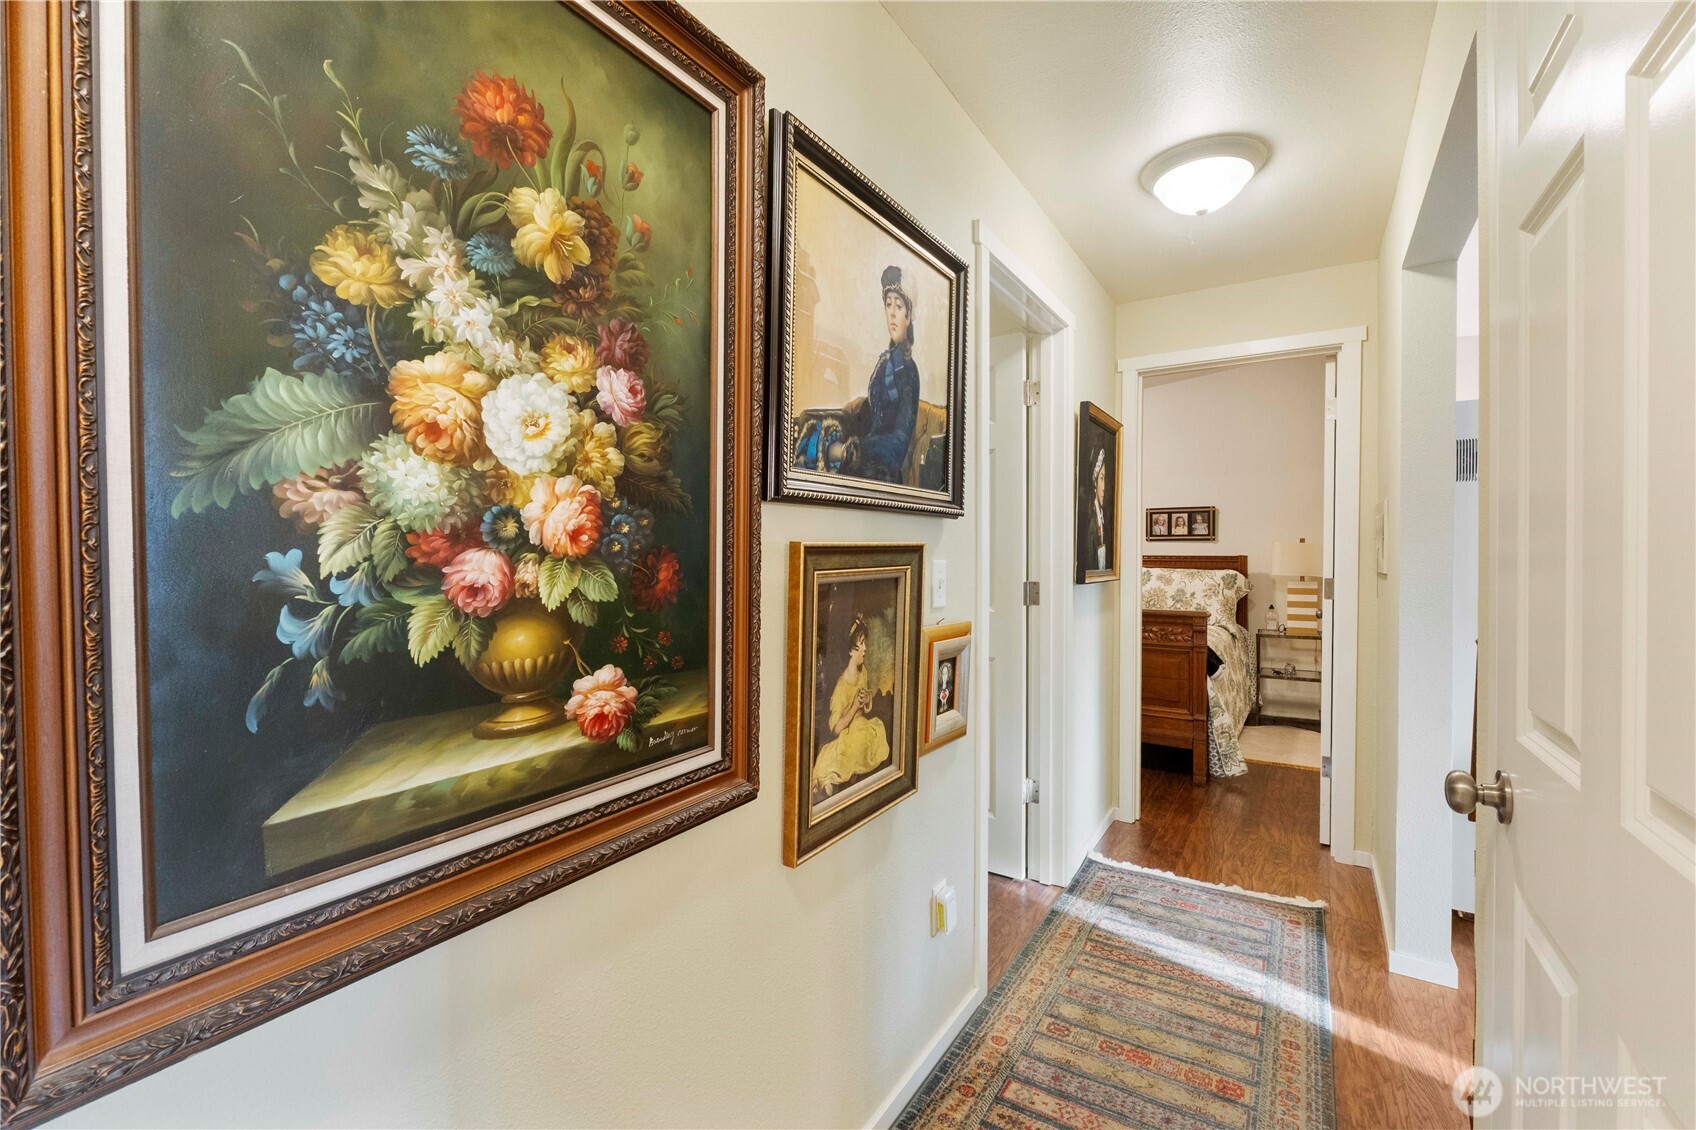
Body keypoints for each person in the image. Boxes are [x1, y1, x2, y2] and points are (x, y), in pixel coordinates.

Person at [811, 615, 890, 800]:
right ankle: (831, 781)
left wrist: (867, 698)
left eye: (865, 643)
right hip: (848, 733)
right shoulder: (841, 687)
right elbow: (836, 727)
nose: (865, 649)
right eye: (860, 644)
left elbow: (867, 700)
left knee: (874, 733)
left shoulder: (864, 672)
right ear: (849, 650)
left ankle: (847, 773)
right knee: (844, 750)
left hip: (863, 727)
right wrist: (854, 706)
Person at [854, 265, 921, 483]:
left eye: (899, 306)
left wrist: (856, 450)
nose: (892, 312)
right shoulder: (883, 363)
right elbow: (871, 417)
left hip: (885, 477)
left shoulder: (909, 371)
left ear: (908, 316)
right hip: (864, 467)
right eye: (888, 304)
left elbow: (898, 444)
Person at [1081, 446, 1110, 572]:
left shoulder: (1102, 517)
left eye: (1105, 480)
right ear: (1095, 481)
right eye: (1101, 479)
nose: (1104, 487)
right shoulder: (1091, 520)